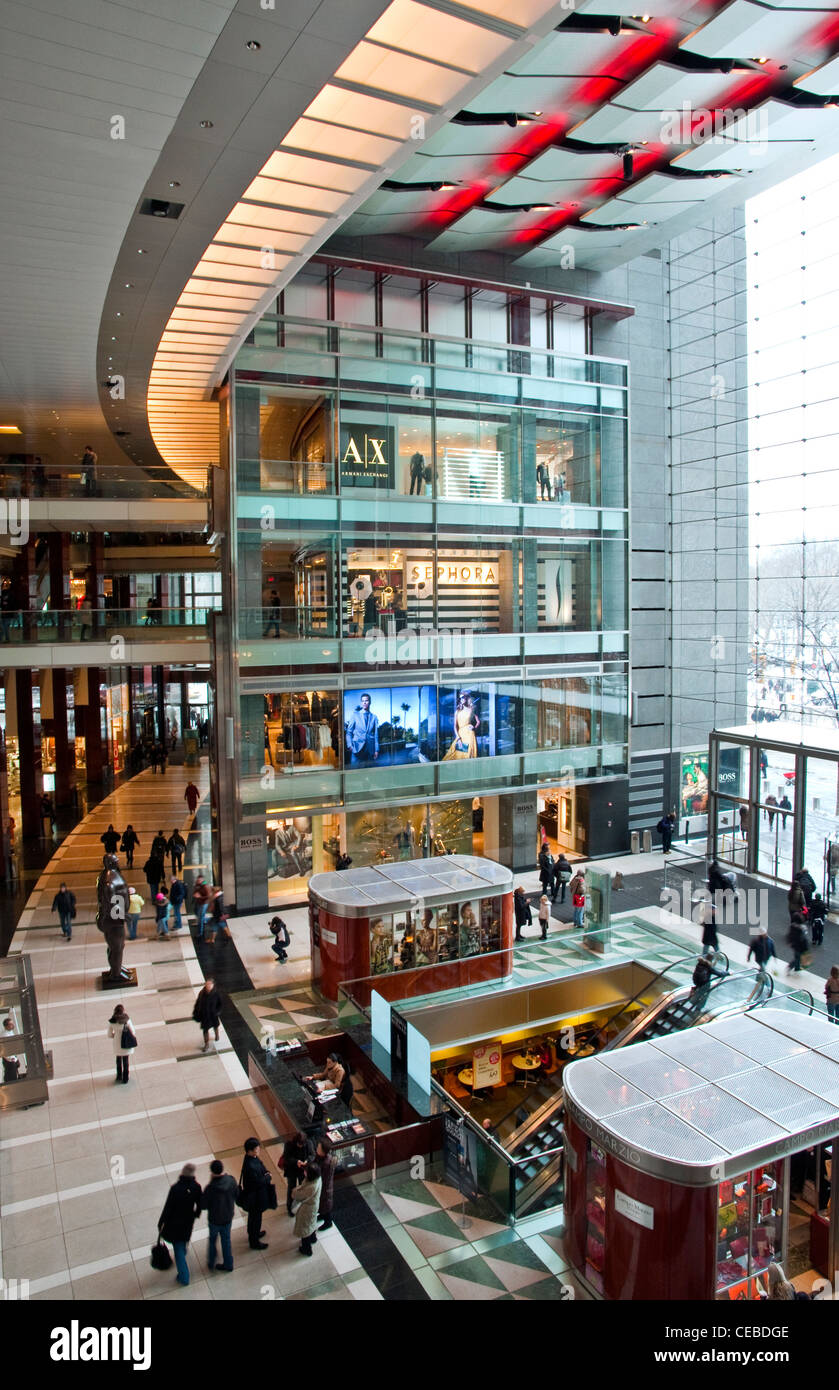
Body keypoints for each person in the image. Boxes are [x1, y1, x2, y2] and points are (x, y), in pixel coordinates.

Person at [157, 1163, 202, 1287]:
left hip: (174, 1223)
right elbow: (200, 1203)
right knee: (184, 1240)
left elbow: (168, 1207)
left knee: (178, 1252)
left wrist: (161, 1222)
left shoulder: (175, 1188)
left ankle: (184, 1277)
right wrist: (196, 1214)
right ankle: (183, 1249)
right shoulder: (196, 1187)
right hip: (188, 1221)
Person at [200, 1159, 237, 1273]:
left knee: (212, 1240)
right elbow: (236, 1194)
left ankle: (211, 1262)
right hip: (228, 1217)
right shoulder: (231, 1180)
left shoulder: (210, 1188)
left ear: (211, 1171)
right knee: (226, 1241)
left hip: (214, 1220)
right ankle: (228, 1264)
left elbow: (203, 1205)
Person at [240, 1137, 273, 1249]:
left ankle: (253, 1233)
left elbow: (261, 1169)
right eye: (256, 1148)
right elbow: (257, 1183)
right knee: (256, 1219)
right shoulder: (250, 1165)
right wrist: (268, 1177)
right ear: (250, 1150)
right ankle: (254, 1241)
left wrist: (266, 1173)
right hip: (255, 1198)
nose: (258, 1150)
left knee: (253, 1218)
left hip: (255, 1196)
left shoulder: (251, 1158)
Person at [295, 1161, 322, 1257]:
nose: (304, 1172)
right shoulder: (318, 1178)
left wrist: (294, 1191)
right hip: (314, 1206)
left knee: (305, 1228)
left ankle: (306, 1249)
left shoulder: (310, 1187)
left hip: (307, 1209)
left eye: (306, 1171)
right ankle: (313, 1238)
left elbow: (298, 1195)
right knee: (311, 1222)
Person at [282, 1130, 313, 1216]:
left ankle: (301, 1205)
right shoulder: (289, 1144)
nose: (300, 1146)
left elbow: (312, 1155)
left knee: (302, 1188)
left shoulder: (308, 1144)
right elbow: (286, 1158)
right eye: (299, 1144)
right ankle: (290, 1207)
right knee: (291, 1188)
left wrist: (307, 1160)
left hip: (302, 1170)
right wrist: (296, 1161)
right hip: (291, 1170)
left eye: (302, 1145)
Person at [442, 692, 479, 761]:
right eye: (460, 698)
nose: (462, 699)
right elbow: (455, 726)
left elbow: (478, 722)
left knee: (468, 755)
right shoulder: (457, 712)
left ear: (466, 698)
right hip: (461, 735)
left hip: (470, 734)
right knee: (454, 754)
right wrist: (458, 738)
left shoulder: (471, 709)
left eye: (463, 697)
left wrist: (474, 727)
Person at [345, 692, 379, 766]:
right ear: (361, 703)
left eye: (366, 700)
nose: (364, 702)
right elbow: (349, 732)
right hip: (357, 750)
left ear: (370, 702)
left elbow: (376, 735)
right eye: (363, 701)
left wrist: (376, 750)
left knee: (369, 774)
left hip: (370, 750)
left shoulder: (374, 717)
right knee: (354, 773)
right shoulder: (355, 715)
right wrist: (350, 745)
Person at [107, 1004, 136, 1084]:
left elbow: (109, 1035)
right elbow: (133, 1031)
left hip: (117, 1043)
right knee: (126, 1060)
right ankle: (125, 1078)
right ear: (123, 1011)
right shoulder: (127, 1020)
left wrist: (115, 1035)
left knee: (118, 1059)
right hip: (126, 1042)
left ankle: (119, 1076)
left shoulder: (112, 1022)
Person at [192, 978, 223, 1052]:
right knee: (205, 1030)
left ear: (213, 985)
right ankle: (206, 1044)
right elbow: (198, 1003)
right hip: (205, 1015)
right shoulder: (202, 993)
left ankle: (217, 1035)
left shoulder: (216, 993)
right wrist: (196, 1011)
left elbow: (220, 1004)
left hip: (213, 1014)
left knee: (215, 1026)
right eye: (207, 984)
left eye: (210, 984)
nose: (208, 986)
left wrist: (217, 1011)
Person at [316, 1137, 335, 1231]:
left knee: (325, 1205)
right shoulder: (323, 1158)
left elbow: (321, 1176)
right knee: (322, 1204)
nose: (317, 1149)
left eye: (319, 1148)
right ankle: (322, 1215)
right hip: (323, 1186)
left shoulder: (326, 1163)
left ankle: (328, 1222)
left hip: (324, 1188)